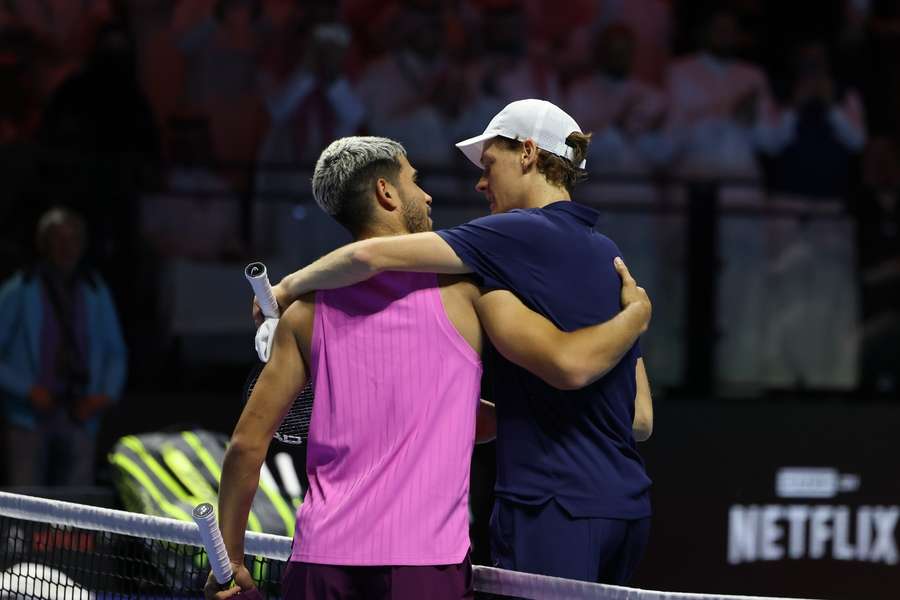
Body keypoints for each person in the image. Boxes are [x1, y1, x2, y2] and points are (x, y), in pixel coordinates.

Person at [209, 135, 652, 599]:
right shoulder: (467, 295)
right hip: (426, 567)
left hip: (322, 560)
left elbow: (245, 445)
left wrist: (234, 559)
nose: (427, 195)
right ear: (387, 193)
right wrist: (634, 319)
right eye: (415, 181)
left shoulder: (303, 315)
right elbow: (565, 362)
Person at [0, 207, 127, 486]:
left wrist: (103, 395)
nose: (66, 248)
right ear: (43, 244)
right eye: (58, 239)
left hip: (80, 411)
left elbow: (114, 351)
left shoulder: (95, 289)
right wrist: (27, 390)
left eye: (73, 240)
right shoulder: (20, 288)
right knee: (25, 503)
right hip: (29, 415)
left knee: (77, 509)